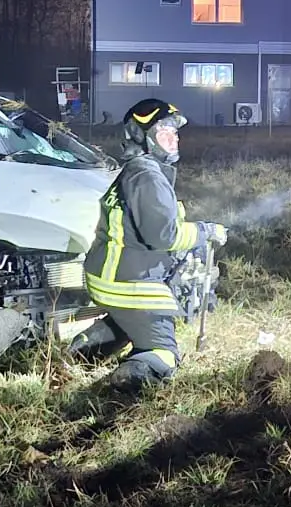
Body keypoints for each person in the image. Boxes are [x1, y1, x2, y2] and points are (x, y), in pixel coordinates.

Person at [79, 97, 229, 391]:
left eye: (174, 133)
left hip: (107, 274)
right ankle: (123, 384)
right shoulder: (147, 176)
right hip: (127, 281)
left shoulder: (138, 171)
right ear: (142, 137)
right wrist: (205, 231)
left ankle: (81, 353)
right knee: (164, 352)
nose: (173, 139)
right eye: (164, 133)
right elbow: (164, 237)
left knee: (133, 321)